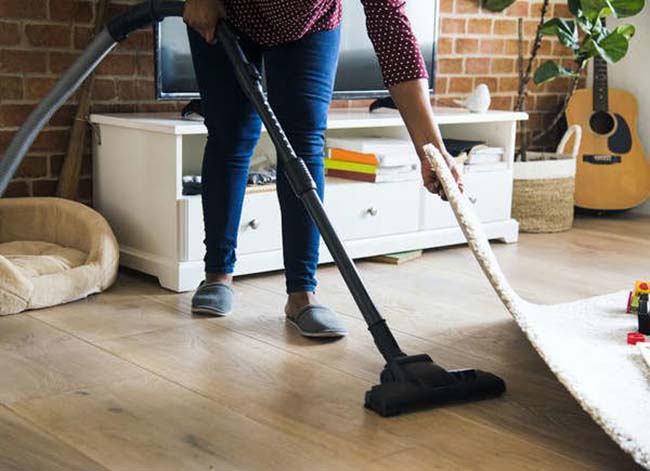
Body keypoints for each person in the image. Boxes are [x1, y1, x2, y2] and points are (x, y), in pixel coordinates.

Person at [184, 0, 463, 338]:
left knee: (303, 142)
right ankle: (217, 274)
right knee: (231, 134)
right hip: (229, 10)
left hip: (309, 23)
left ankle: (302, 294)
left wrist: (430, 150)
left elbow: (393, 33)